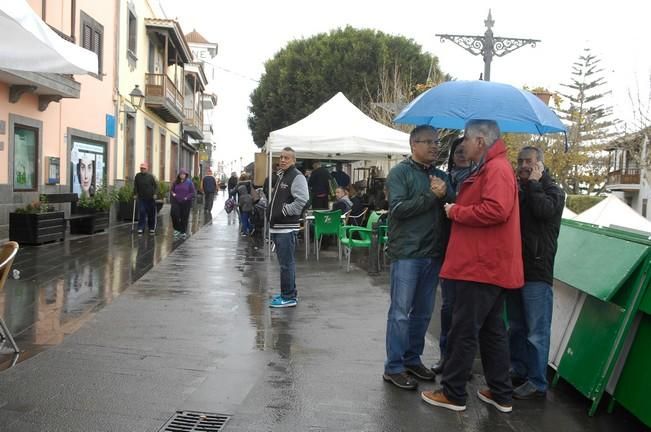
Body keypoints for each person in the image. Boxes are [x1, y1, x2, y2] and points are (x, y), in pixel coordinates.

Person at [421, 120, 523, 414]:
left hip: (480, 266)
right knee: (492, 332)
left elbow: (496, 210)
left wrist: (456, 211)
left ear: (480, 140)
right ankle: (501, 393)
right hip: (487, 266)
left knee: (464, 331)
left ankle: (453, 394)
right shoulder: (494, 167)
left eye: (465, 138)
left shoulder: (497, 169)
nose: (462, 144)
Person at [382, 125, 452, 390]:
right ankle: (394, 366)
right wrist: (430, 196)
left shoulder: (441, 176)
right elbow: (397, 210)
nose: (435, 146)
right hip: (407, 254)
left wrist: (445, 194)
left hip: (433, 253)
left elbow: (452, 206)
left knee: (423, 313)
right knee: (400, 313)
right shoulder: (400, 173)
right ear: (413, 145)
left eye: (437, 142)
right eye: (429, 142)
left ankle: (412, 358)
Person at [507, 146, 564, 400]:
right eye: (520, 161)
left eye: (528, 161)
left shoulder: (553, 191)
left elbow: (544, 211)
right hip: (516, 268)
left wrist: (534, 184)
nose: (523, 166)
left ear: (540, 164)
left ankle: (537, 381)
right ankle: (518, 370)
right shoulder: (520, 190)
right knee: (517, 327)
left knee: (536, 332)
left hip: (538, 271)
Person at [432, 137, 472, 374]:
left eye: (465, 150)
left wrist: (450, 199)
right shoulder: (444, 178)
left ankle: (460, 363)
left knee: (464, 310)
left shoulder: (477, 178)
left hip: (467, 251)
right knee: (448, 308)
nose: (462, 154)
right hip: (447, 248)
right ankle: (445, 357)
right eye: (458, 150)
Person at [267, 147, 309, 308]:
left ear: (294, 160)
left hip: (286, 228)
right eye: (281, 157)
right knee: (284, 264)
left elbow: (303, 200)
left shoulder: (296, 176)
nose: (283, 160)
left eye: (287, 158)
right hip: (278, 227)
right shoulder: (283, 175)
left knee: (287, 264)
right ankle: (288, 293)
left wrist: (285, 211)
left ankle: (289, 297)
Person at [133, 162, 158, 234]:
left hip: (150, 198)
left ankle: (151, 228)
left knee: (151, 214)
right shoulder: (137, 176)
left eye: (144, 168)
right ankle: (141, 227)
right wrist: (135, 194)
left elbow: (155, 186)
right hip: (141, 198)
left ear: (147, 169)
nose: (142, 169)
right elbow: (135, 186)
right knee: (142, 212)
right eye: (141, 168)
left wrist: (155, 194)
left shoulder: (150, 176)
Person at [170, 168, 195, 239]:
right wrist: (173, 194)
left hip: (186, 202)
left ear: (186, 175)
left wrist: (187, 198)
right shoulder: (176, 182)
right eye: (181, 174)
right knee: (174, 214)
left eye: (183, 174)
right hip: (176, 201)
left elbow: (192, 192)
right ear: (179, 175)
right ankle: (177, 229)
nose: (182, 175)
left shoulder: (189, 182)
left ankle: (183, 231)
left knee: (184, 217)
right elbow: (172, 190)